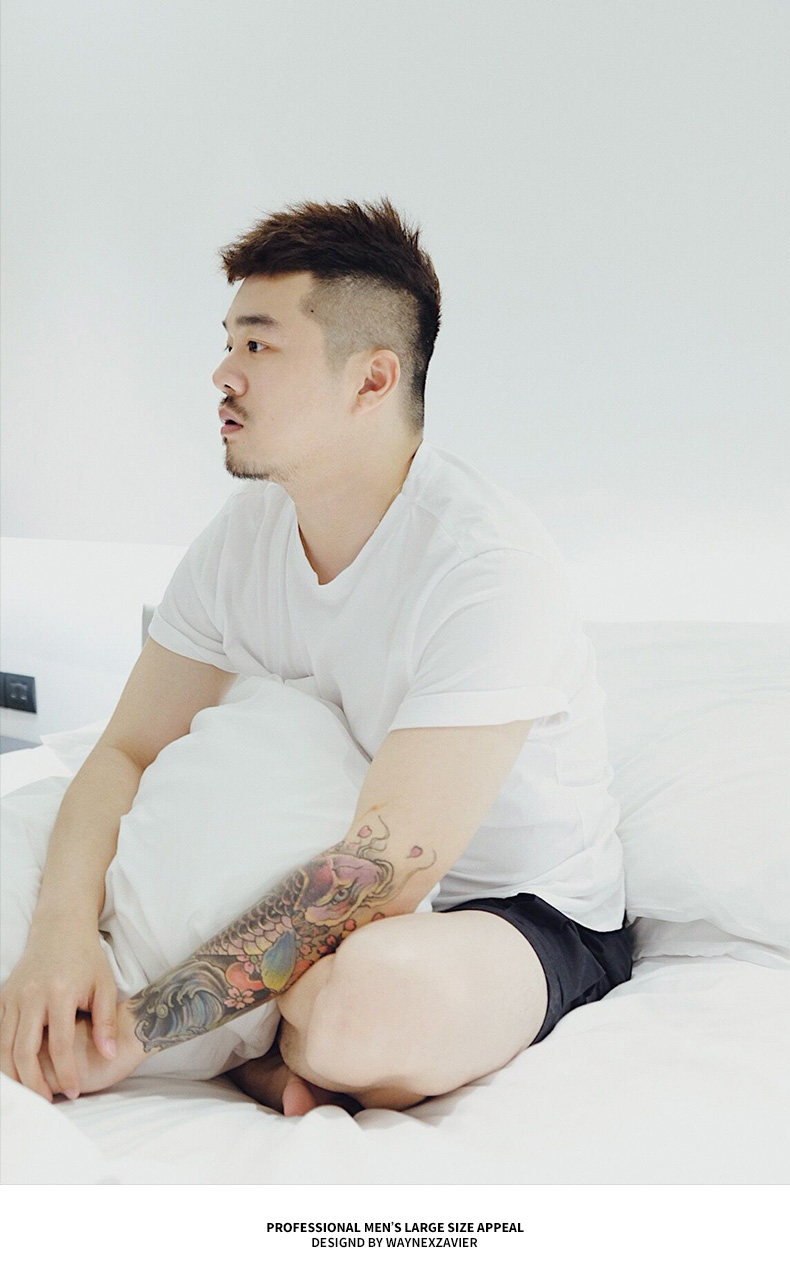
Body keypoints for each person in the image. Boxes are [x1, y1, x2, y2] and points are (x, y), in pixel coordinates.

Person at [0, 197, 632, 1116]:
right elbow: (127, 748)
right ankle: (263, 1047)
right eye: (229, 342)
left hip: (510, 909)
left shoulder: (484, 566)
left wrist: (132, 1031)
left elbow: (383, 868)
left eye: (259, 345)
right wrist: (60, 937)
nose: (223, 372)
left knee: (362, 1008)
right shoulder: (244, 536)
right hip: (328, 880)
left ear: (372, 380)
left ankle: (262, 1051)